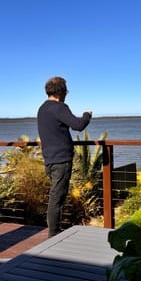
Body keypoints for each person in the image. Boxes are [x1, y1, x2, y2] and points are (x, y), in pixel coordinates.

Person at [37, 76, 92, 237]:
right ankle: (53, 235)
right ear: (61, 92)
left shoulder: (42, 109)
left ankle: (55, 231)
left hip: (49, 160)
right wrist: (86, 115)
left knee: (56, 196)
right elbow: (78, 125)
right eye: (66, 90)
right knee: (57, 198)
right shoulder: (59, 107)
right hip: (61, 160)